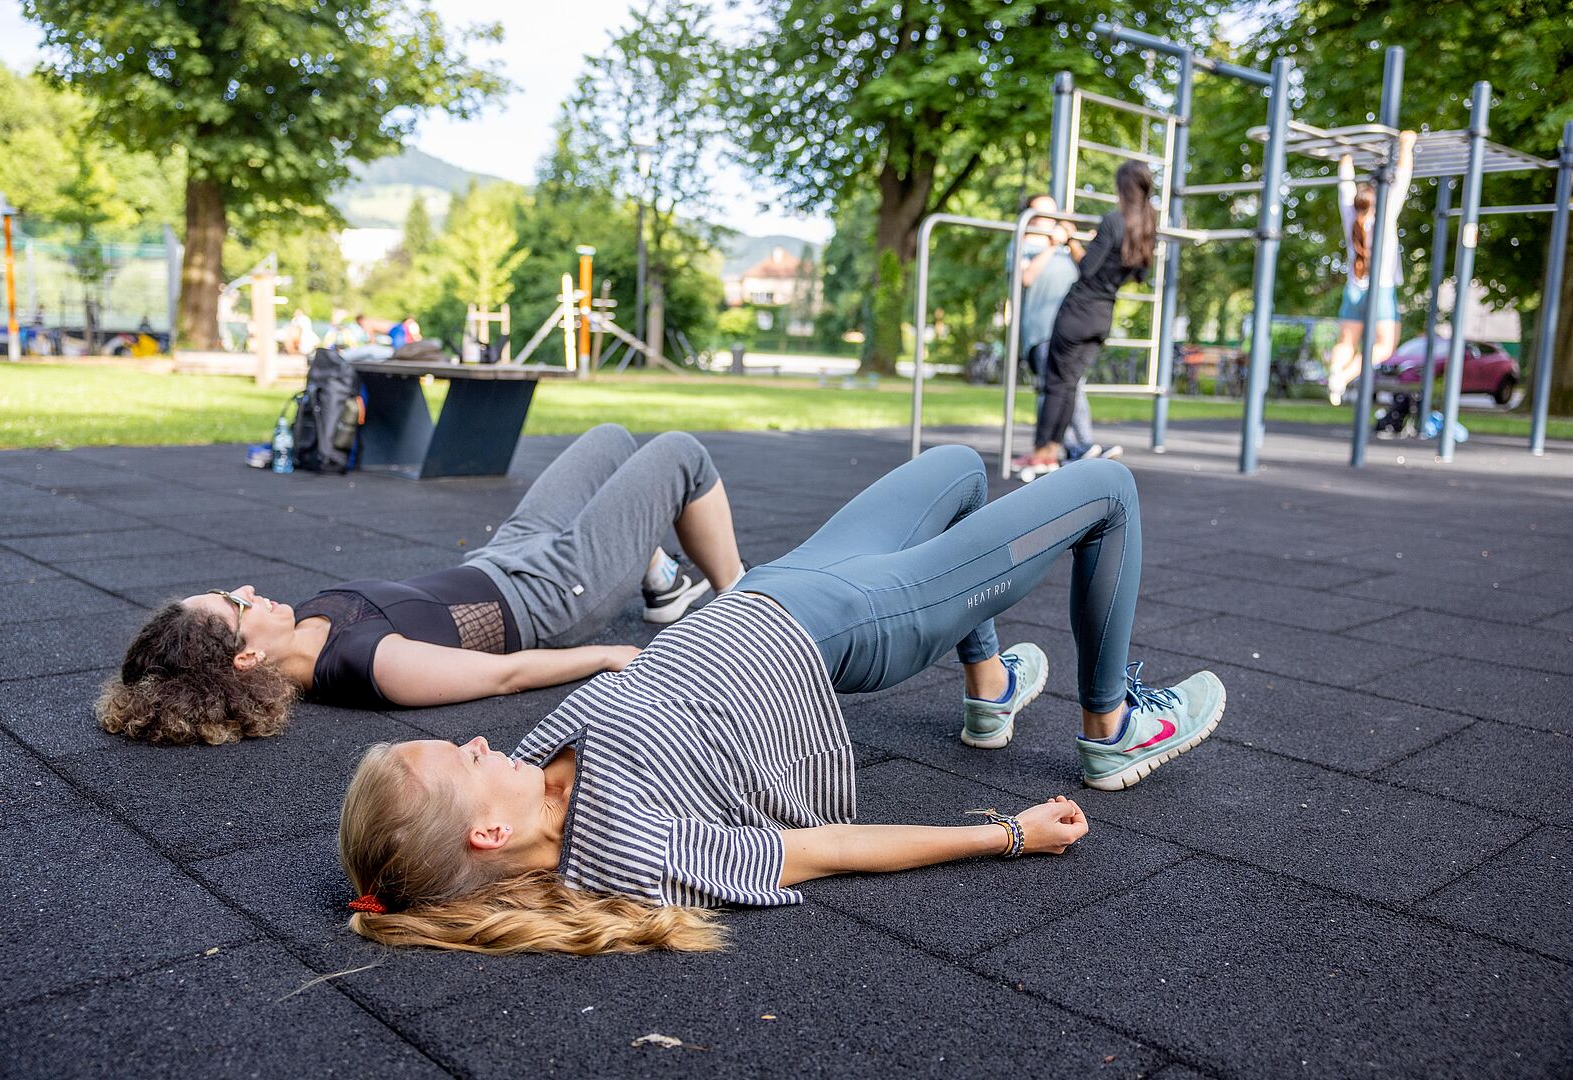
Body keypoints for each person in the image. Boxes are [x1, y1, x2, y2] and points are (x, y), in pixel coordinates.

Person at [338, 447, 1225, 955]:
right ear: (485, 835)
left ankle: (989, 689)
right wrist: (1010, 833)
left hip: (778, 584)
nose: (479, 744)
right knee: (1107, 490)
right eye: (463, 759)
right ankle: (1113, 728)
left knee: (956, 468)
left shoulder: (528, 769)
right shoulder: (629, 855)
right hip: (859, 625)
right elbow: (824, 849)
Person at [98, 425, 745, 745]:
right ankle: (741, 604)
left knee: (609, 441)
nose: (247, 588)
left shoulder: (305, 626)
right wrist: (607, 655)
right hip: (555, 592)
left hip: (509, 553)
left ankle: (658, 581)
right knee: (681, 454)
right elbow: (505, 675)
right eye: (237, 604)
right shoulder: (363, 663)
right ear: (248, 657)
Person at [1023, 162, 1157, 474]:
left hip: (1077, 312)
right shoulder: (1148, 228)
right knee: (1068, 385)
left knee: (1056, 385)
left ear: (1122, 188)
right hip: (1102, 317)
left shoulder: (1113, 221)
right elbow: (1138, 275)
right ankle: (1057, 453)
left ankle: (1043, 454)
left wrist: (1072, 240)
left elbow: (1086, 268)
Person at [1006, 194, 1121, 474]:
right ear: (1029, 217)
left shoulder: (1064, 245)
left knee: (1066, 386)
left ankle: (1068, 448)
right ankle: (1073, 446)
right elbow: (1026, 277)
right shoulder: (1023, 243)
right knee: (1060, 387)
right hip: (1042, 331)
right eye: (1042, 214)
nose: (1050, 219)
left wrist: (1075, 242)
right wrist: (1052, 245)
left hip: (1071, 327)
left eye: (1053, 214)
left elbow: (1088, 271)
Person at [1325, 130, 1416, 406]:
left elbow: (1345, 184)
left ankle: (1334, 372)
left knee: (1347, 340)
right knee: (1385, 345)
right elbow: (1402, 179)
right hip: (1381, 287)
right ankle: (1344, 376)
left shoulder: (1351, 218)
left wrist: (1346, 154)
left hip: (1354, 286)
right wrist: (1406, 146)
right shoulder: (1384, 217)